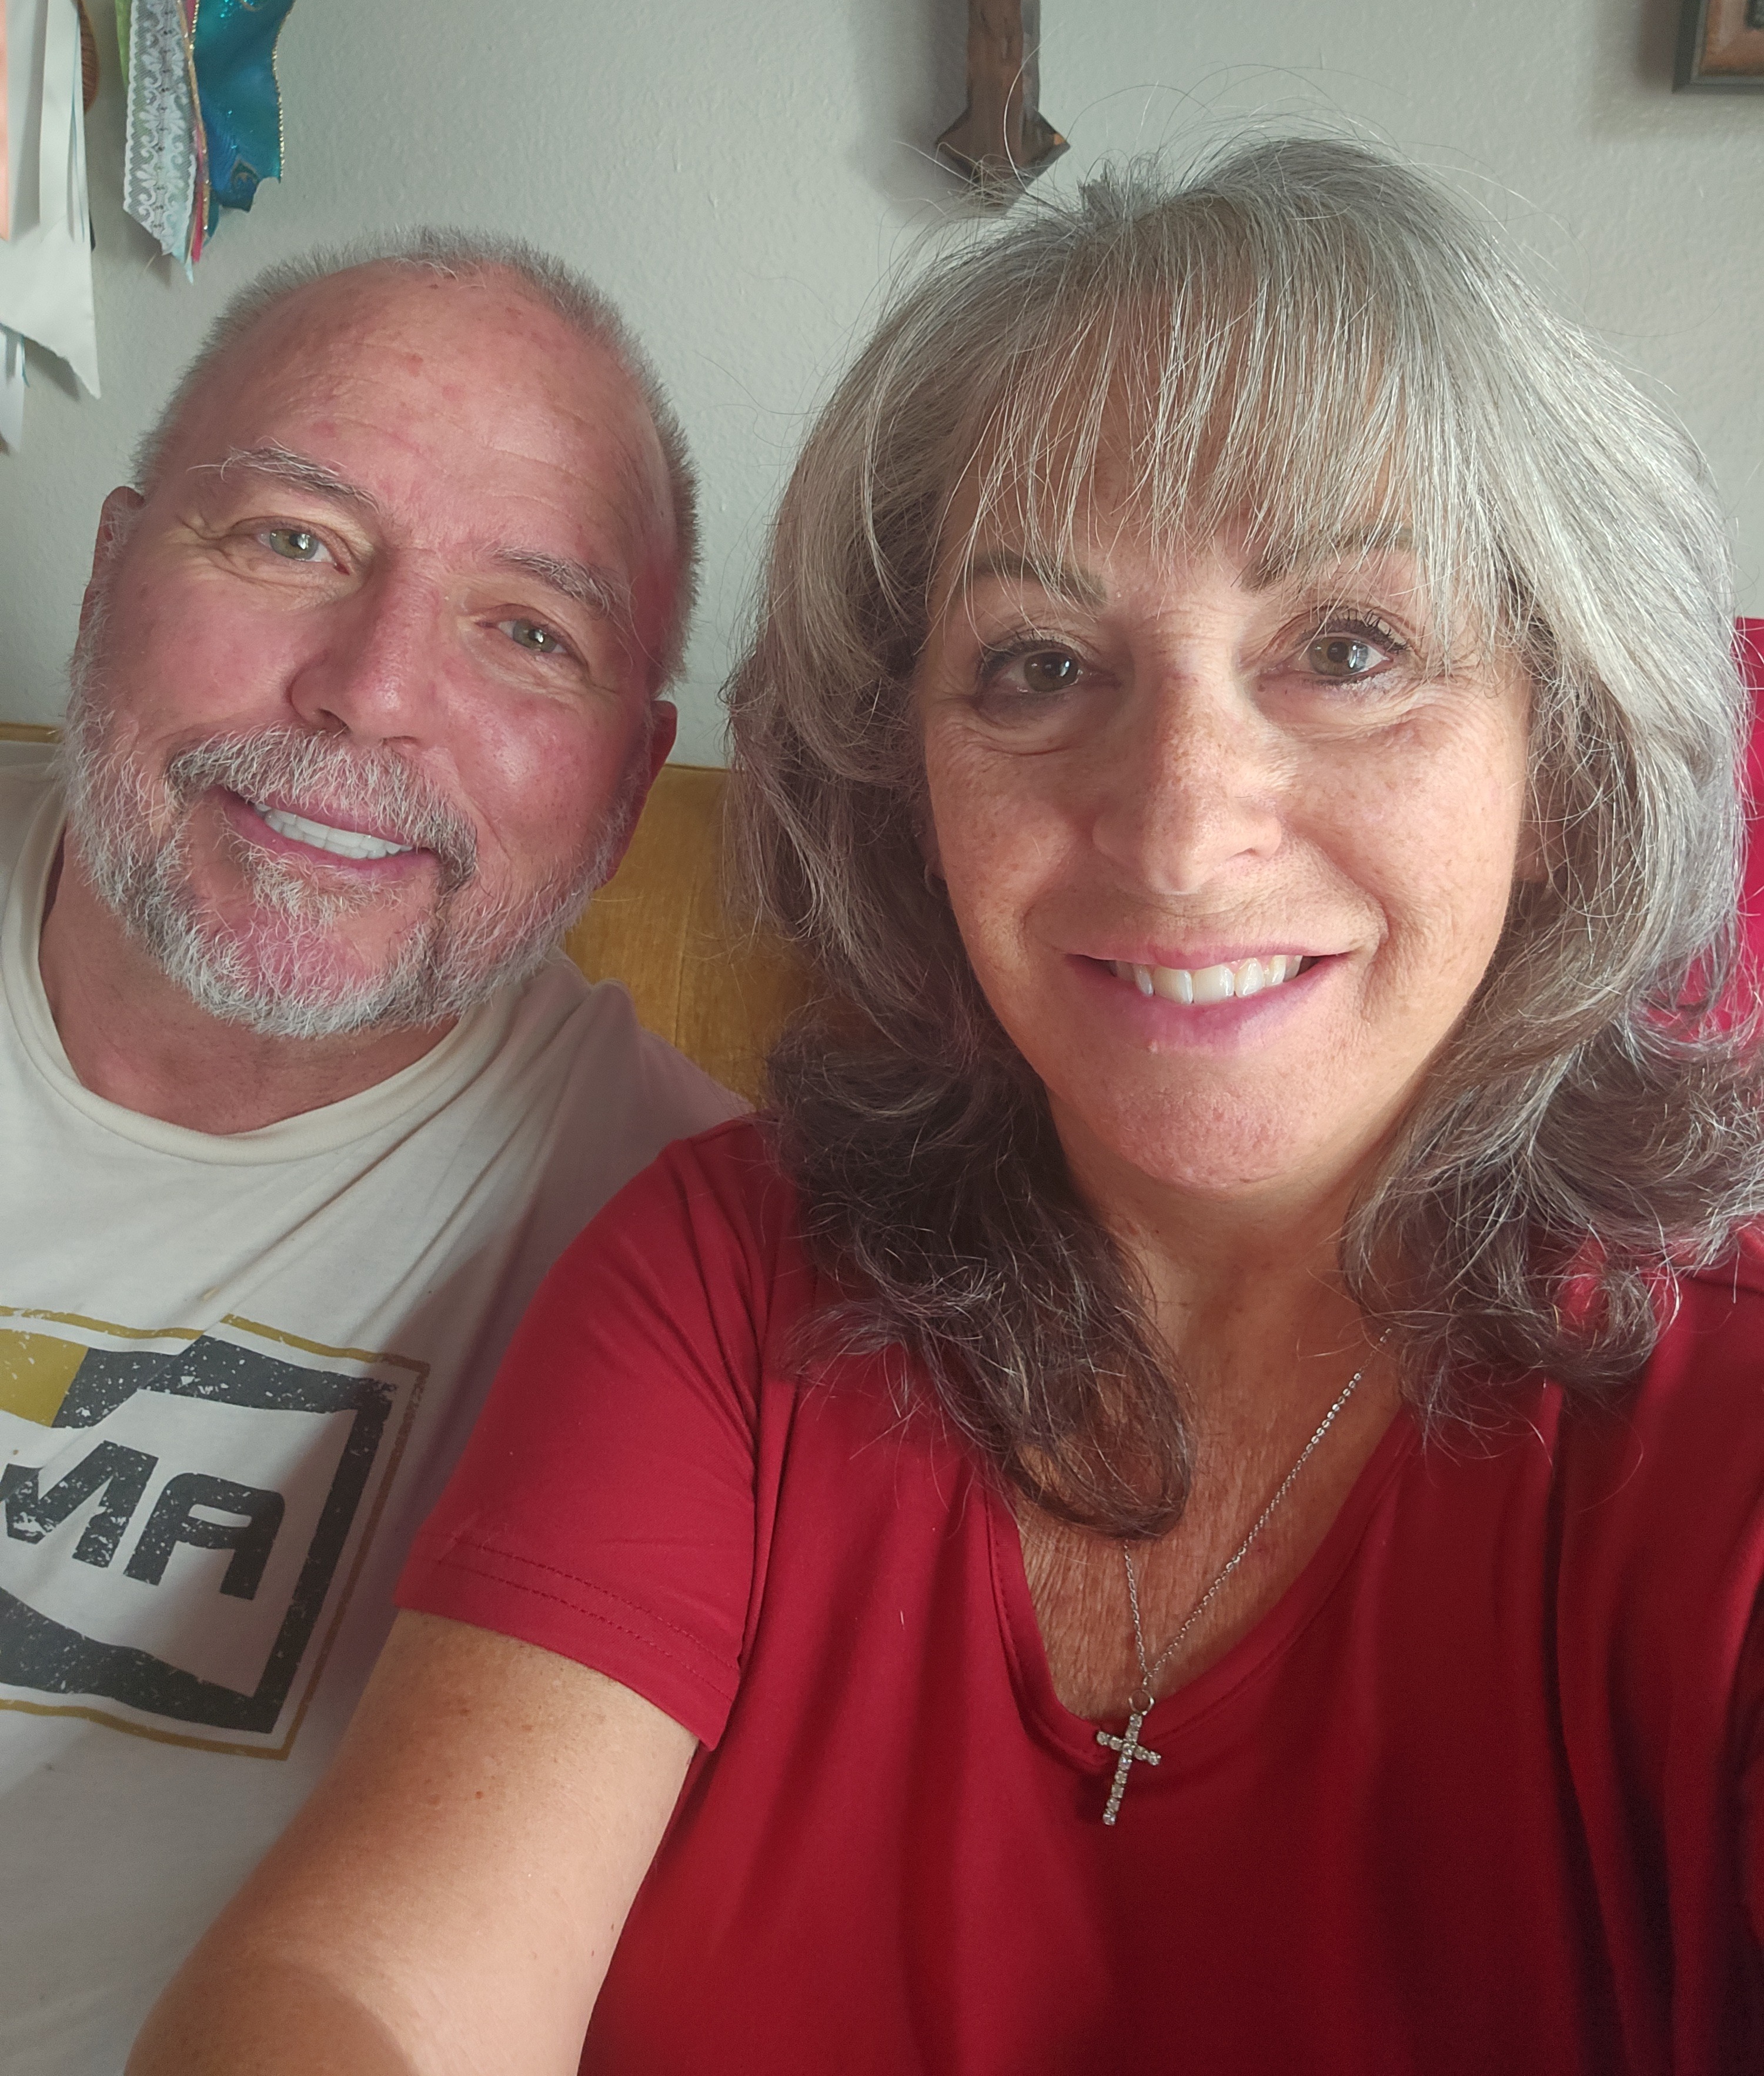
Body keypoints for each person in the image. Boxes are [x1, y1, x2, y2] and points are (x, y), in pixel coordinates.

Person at [131, 142, 1764, 2075]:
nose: (1179, 828)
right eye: (1039, 665)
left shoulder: (1714, 1436)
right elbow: (363, 1990)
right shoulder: (726, 1276)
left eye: (1349, 650)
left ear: (1559, 767)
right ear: (907, 787)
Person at [0, 236, 741, 2076]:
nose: (371, 689)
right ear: (106, 573)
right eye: (292, 540)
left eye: (530, 631)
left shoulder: (713, 1267)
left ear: (628, 785)